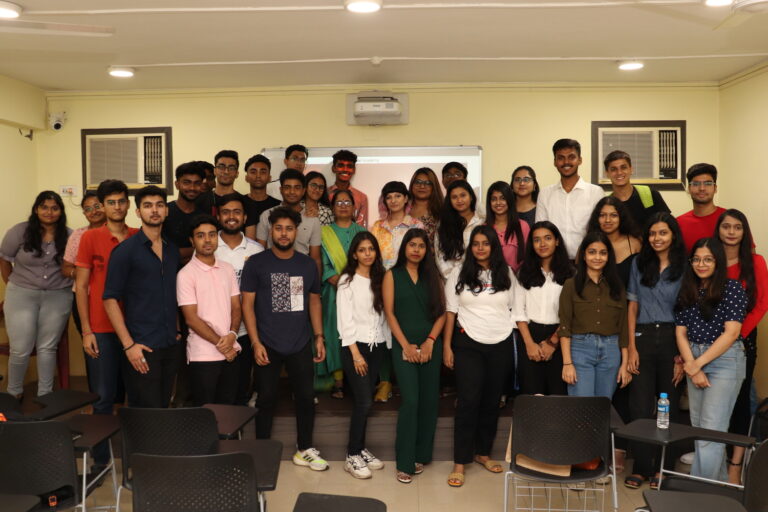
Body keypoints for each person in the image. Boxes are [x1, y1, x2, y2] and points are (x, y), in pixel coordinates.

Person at [241, 207, 329, 471]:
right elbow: (247, 306)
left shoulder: (307, 264)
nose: (283, 233)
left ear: (296, 232)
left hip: (300, 341)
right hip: (267, 343)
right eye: (278, 228)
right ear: (270, 230)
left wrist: (319, 336)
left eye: (289, 228)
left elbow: (314, 301)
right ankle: (261, 451)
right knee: (266, 397)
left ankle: (304, 449)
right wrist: (255, 342)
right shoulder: (256, 263)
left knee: (306, 396)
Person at [443, 225, 517, 488]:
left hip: (500, 343)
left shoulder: (506, 273)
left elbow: (514, 308)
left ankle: (483, 453)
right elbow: (450, 311)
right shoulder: (458, 273)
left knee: (491, 401)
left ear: (493, 246)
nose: (481, 248)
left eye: (486, 243)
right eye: (476, 243)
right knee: (468, 401)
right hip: (468, 343)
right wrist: (447, 346)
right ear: (470, 247)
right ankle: (460, 462)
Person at [74, 180, 138, 468]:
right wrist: (86, 330)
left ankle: (136, 459)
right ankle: (101, 463)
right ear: (102, 206)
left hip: (136, 329)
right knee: (103, 398)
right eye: (111, 202)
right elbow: (81, 286)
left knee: (135, 398)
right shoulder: (90, 238)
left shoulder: (138, 236)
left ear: (128, 204)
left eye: (121, 201)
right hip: (100, 329)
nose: (117, 207)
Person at [675, 237, 747, 482]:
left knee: (711, 431)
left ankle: (699, 492)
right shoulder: (688, 289)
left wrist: (697, 364)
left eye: (708, 259)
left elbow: (732, 333)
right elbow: (680, 333)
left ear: (718, 261)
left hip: (725, 359)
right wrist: (692, 366)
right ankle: (718, 490)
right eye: (696, 259)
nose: (701, 264)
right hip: (693, 357)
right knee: (701, 429)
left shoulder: (732, 288)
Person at [103, 185, 182, 408]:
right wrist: (129, 346)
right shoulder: (125, 251)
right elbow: (109, 299)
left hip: (170, 343)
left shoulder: (172, 250)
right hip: (142, 345)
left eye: (159, 205)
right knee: (145, 412)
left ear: (166, 210)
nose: (154, 210)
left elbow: (173, 293)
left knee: (163, 407)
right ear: (138, 212)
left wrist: (177, 331)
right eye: (147, 206)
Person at [624, 212, 687, 490]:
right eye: (652, 233)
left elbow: (688, 310)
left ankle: (664, 468)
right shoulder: (639, 263)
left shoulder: (684, 266)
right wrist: (631, 347)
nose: (657, 238)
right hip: (643, 336)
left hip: (674, 337)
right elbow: (632, 307)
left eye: (663, 232)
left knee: (668, 404)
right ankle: (641, 467)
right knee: (639, 406)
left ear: (673, 235)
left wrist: (682, 356)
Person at [384, 228, 446, 483]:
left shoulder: (434, 276)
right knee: (410, 400)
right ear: (405, 247)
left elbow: (442, 313)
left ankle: (421, 454)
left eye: (421, 246)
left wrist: (430, 342)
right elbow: (389, 313)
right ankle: (405, 461)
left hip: (431, 344)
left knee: (429, 401)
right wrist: (406, 346)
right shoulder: (392, 275)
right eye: (412, 245)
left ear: (427, 250)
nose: (416, 250)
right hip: (404, 345)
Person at [0, 191, 72, 398]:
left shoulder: (70, 235)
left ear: (61, 211)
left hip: (58, 295)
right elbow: (4, 260)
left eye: (54, 208)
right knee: (20, 348)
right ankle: (14, 393)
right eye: (44, 207)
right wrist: (14, 286)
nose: (49, 212)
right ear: (36, 209)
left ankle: (45, 395)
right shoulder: (19, 231)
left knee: (47, 347)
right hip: (21, 295)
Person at [716, 210, 768, 483]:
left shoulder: (755, 261)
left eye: (737, 227)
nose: (731, 232)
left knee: (739, 402)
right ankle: (713, 460)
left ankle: (735, 465)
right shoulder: (709, 258)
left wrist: (737, 334)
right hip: (709, 340)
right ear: (719, 230)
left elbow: (762, 303)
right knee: (714, 404)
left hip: (742, 340)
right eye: (726, 226)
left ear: (744, 232)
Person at [336, 232, 390, 479]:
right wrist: (356, 355)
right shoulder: (347, 281)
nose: (367, 254)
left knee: (366, 399)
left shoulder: (381, 278)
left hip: (376, 345)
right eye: (362, 250)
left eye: (371, 249)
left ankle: (360, 448)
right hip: (354, 347)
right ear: (355, 254)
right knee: (363, 401)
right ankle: (352, 455)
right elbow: (344, 321)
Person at [177, 214, 242, 406]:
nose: (207, 240)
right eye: (201, 235)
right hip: (203, 355)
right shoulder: (186, 274)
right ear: (192, 240)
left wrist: (232, 335)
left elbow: (236, 307)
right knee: (206, 411)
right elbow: (191, 319)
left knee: (229, 409)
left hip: (231, 351)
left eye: (212, 234)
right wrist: (223, 345)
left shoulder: (227, 269)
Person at [559, 231, 632, 397]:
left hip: (611, 351)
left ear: (608, 256)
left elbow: (623, 327)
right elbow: (564, 326)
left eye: (603, 253)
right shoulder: (571, 285)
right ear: (584, 256)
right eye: (592, 252)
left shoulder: (617, 287)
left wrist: (625, 364)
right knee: (582, 406)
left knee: (603, 405)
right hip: (580, 349)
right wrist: (567, 363)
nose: (597, 257)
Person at [370, 181, 424, 402]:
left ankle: (407, 380)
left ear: (406, 199)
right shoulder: (377, 227)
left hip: (408, 286)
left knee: (405, 330)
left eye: (397, 196)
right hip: (380, 285)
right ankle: (385, 382)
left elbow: (422, 256)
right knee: (383, 332)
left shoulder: (416, 226)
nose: (393, 200)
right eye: (389, 197)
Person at [214, 194, 264, 406]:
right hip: (213, 332)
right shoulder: (207, 246)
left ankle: (239, 426)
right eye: (225, 212)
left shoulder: (257, 250)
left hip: (244, 331)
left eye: (237, 212)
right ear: (218, 216)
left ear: (244, 217)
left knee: (241, 388)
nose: (231, 217)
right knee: (216, 392)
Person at [513, 221, 573, 396]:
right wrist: (530, 344)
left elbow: (573, 314)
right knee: (532, 395)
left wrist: (552, 343)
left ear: (557, 241)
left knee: (558, 396)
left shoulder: (571, 274)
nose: (542, 244)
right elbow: (518, 312)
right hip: (529, 335)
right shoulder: (524, 272)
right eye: (536, 240)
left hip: (561, 336)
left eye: (548, 238)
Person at [318, 189, 366, 399]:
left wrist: (356, 286)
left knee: (358, 331)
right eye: (339, 203)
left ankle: (357, 378)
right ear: (332, 207)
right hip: (333, 292)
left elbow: (368, 259)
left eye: (348, 202)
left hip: (361, 293)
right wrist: (343, 285)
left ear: (354, 207)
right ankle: (338, 380)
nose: (344, 206)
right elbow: (323, 264)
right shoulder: (324, 232)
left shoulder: (362, 232)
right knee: (334, 333)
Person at [536, 139, 605, 260]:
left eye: (571, 157)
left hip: (588, 261)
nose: (566, 162)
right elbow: (541, 231)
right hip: (554, 262)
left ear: (580, 160)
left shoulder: (596, 193)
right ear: (555, 162)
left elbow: (600, 230)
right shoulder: (545, 194)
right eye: (561, 158)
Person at [256, 169, 322, 276]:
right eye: (287, 187)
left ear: (303, 191)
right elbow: (260, 252)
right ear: (281, 190)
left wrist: (316, 285)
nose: (292, 192)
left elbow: (316, 258)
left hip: (301, 274)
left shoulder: (313, 220)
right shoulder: (267, 215)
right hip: (272, 273)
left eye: (297, 188)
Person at [61, 191, 105, 346]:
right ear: (84, 214)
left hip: (112, 297)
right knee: (91, 344)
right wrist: (81, 273)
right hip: (84, 297)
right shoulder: (78, 235)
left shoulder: (118, 232)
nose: (94, 212)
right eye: (88, 209)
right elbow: (66, 268)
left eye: (97, 206)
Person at [604, 150, 670, 229]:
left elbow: (669, 225)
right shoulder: (608, 204)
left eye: (623, 167)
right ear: (607, 173)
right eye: (613, 169)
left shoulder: (650, 194)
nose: (619, 172)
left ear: (631, 169)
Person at [587, 197, 641, 288]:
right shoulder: (588, 244)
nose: (607, 220)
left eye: (613, 215)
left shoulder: (634, 244)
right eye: (602, 215)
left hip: (629, 296)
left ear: (621, 217)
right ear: (597, 218)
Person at [435, 181, 484, 279]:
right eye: (454, 197)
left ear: (471, 196)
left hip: (480, 279)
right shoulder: (444, 224)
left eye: (463, 195)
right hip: (451, 281)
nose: (459, 200)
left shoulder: (482, 222)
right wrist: (454, 280)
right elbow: (440, 256)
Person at [163, 161, 206, 265]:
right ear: (177, 184)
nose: (192, 188)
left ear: (201, 186)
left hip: (198, 273)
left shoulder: (204, 217)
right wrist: (195, 250)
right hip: (166, 272)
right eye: (187, 182)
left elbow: (209, 250)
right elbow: (158, 252)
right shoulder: (163, 212)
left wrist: (179, 253)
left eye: (197, 183)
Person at [677, 163, 726, 254]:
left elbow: (748, 254)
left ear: (715, 188)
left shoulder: (730, 219)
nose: (702, 188)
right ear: (689, 188)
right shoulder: (678, 223)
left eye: (708, 184)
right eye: (696, 184)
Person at [485, 181, 529, 272]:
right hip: (491, 278)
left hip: (519, 277)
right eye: (494, 199)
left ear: (510, 200)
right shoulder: (484, 228)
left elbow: (529, 256)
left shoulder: (523, 226)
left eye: (503, 198)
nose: (498, 203)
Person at [242, 154, 281, 241]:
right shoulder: (238, 203)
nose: (258, 176)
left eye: (263, 172)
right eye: (253, 172)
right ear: (246, 178)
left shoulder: (278, 206)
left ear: (270, 178)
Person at [328, 149, 369, 228]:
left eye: (349, 166)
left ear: (354, 170)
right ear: (333, 168)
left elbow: (361, 228)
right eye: (341, 165)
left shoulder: (361, 198)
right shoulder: (324, 194)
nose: (345, 169)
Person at [197, 150, 243, 217]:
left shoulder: (244, 201)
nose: (226, 172)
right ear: (215, 171)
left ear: (237, 173)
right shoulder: (200, 201)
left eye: (231, 168)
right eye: (221, 167)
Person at [407, 167, 444, 244]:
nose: (422, 186)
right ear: (412, 184)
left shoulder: (442, 211)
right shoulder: (401, 209)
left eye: (428, 183)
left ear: (434, 187)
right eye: (418, 182)